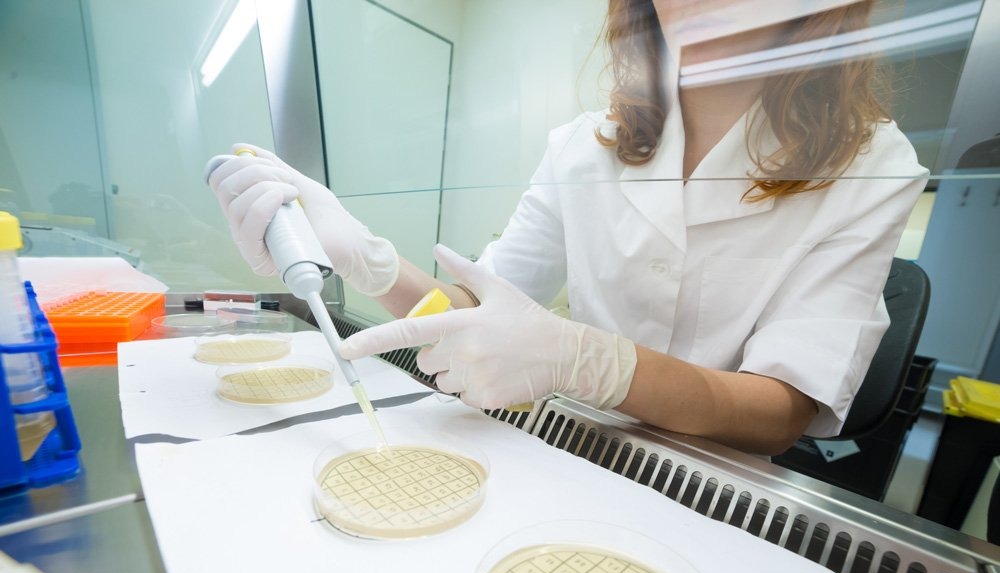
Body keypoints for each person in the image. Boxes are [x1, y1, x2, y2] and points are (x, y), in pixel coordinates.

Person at [208, 0, 928, 456]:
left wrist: (595, 363)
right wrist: (366, 258)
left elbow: (781, 409)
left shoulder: (872, 164)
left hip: (722, 485)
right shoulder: (584, 146)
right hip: (571, 452)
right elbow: (477, 309)